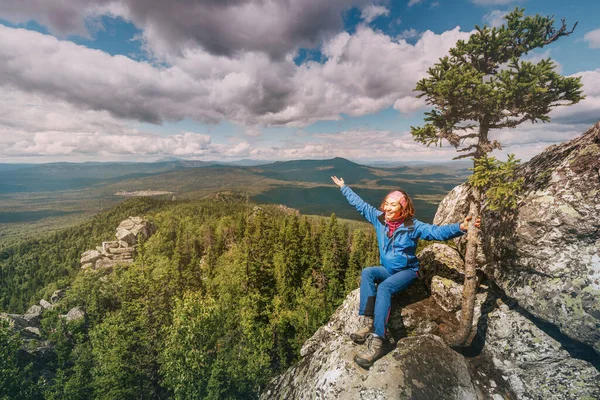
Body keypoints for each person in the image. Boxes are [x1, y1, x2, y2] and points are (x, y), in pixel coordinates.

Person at [331, 175, 480, 369]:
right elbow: (361, 205)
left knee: (384, 288)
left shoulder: (413, 226)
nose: (387, 208)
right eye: (386, 204)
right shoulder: (380, 220)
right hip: (387, 269)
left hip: (407, 271)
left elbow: (436, 232)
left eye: (393, 205)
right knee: (368, 272)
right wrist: (344, 187)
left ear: (403, 207)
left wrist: (461, 227)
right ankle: (368, 321)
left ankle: (378, 341)